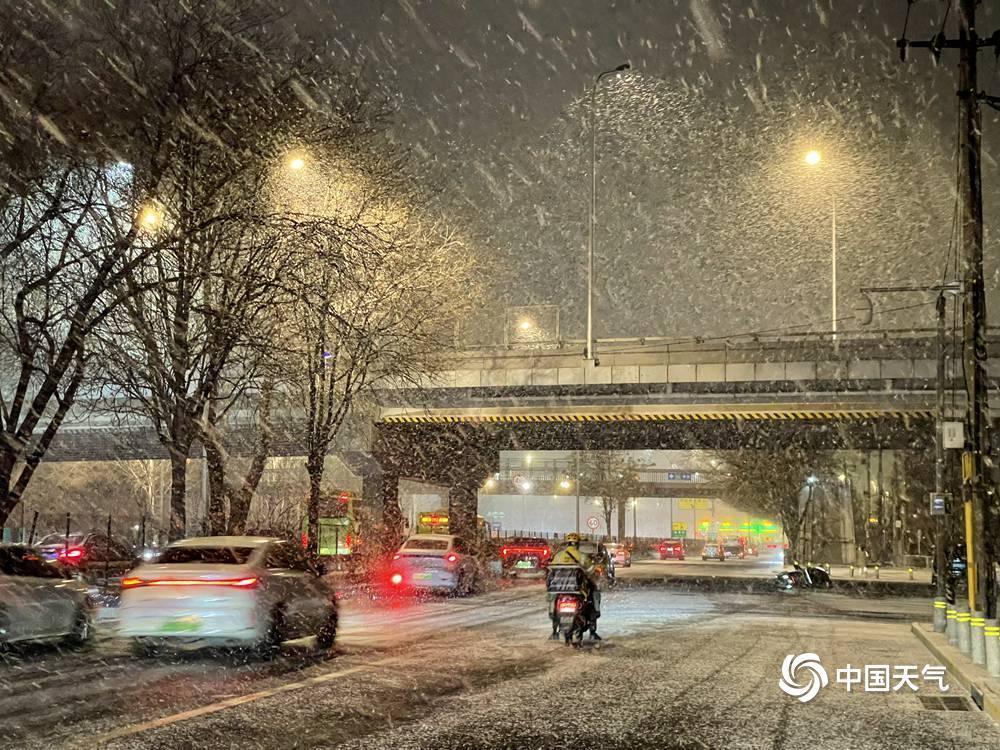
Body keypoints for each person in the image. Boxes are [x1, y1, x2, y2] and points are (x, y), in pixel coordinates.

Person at [546, 533, 602, 640]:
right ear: (577, 545)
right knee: (594, 595)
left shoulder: (558, 556)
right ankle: (592, 630)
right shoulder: (581, 556)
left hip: (559, 589)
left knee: (552, 600)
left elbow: (551, 570)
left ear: (566, 544)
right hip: (577, 589)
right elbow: (591, 570)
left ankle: (554, 631)